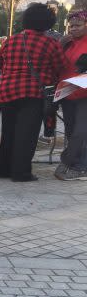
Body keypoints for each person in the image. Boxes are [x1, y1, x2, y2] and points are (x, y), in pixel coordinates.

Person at [0, 3, 66, 182]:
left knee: (9, 131)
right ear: (47, 22)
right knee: (26, 134)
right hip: (33, 93)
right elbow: (60, 67)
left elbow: (0, 63)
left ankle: (4, 168)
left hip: (7, 91)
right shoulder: (51, 43)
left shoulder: (10, 40)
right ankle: (21, 172)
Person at [55, 10, 87, 181]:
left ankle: (78, 165)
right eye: (71, 26)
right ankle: (75, 162)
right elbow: (57, 63)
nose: (73, 29)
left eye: (78, 25)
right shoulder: (67, 42)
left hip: (84, 93)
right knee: (70, 130)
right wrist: (60, 44)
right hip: (67, 92)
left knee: (81, 131)